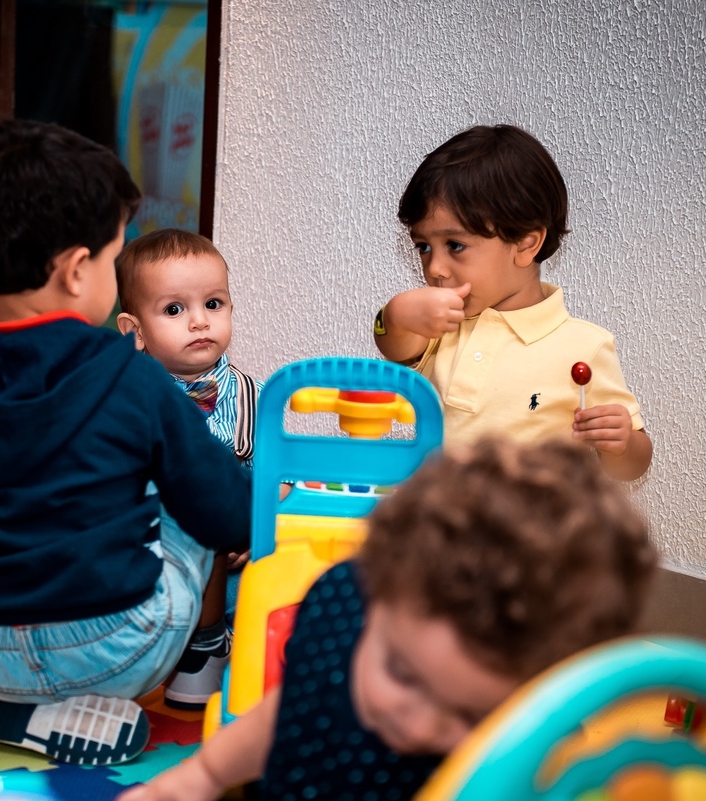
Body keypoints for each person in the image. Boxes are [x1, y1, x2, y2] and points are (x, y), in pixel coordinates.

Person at [0, 119, 253, 767]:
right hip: (120, 648)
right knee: (192, 488)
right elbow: (225, 513)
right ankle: (200, 663)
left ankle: (5, 703)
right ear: (76, 271)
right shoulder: (133, 376)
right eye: (111, 259)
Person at [118, 437, 658, 801]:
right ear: (375, 595)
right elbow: (291, 714)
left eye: (472, 717)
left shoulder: (533, 763)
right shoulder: (343, 607)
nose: (418, 726)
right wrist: (200, 776)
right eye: (401, 672)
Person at [373, 124, 653, 481]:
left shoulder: (584, 347)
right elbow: (393, 344)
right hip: (438, 513)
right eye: (423, 247)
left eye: (455, 245)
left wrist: (622, 443)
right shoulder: (441, 325)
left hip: (531, 518)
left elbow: (631, 468)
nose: (435, 268)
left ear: (525, 244)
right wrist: (397, 314)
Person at [114, 228, 261, 706]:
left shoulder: (252, 397)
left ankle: (211, 646)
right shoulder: (125, 402)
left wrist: (255, 529)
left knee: (270, 586)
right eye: (175, 310)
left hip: (228, 562)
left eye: (213, 304)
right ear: (134, 332)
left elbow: (271, 477)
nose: (199, 321)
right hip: (152, 557)